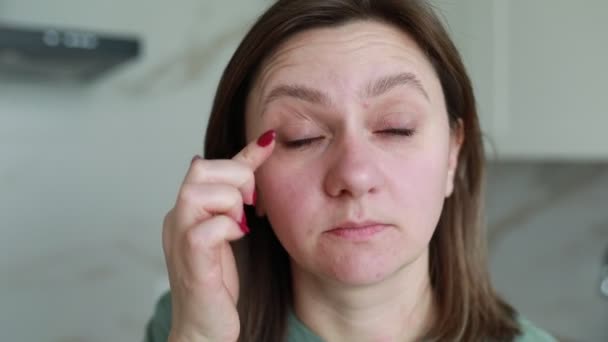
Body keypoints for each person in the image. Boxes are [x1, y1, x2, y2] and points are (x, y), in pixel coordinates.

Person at [145, 0, 556, 341]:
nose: (355, 176)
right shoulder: (188, 320)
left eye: (397, 127)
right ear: (250, 179)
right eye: (301, 136)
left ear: (453, 154)